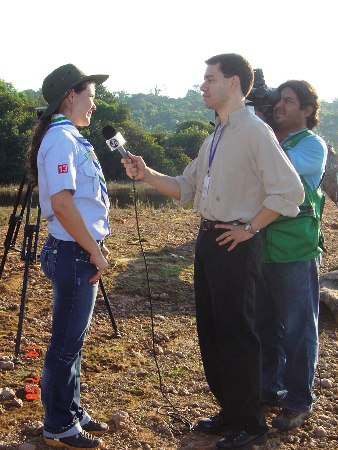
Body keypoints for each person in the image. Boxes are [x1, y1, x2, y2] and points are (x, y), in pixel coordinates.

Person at [122, 53, 304, 449]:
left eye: (210, 79)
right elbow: (185, 189)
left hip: (234, 244)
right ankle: (231, 411)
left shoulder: (255, 132)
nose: (202, 86)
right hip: (209, 241)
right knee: (213, 332)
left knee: (238, 333)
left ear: (234, 83)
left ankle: (251, 424)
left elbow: (290, 192)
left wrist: (250, 228)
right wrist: (146, 172)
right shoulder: (214, 137)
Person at [28, 64, 111, 449]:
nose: (94, 104)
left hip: (77, 250)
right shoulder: (62, 139)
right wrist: (93, 249)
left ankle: (71, 410)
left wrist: (95, 242)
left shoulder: (70, 138)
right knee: (65, 344)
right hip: (74, 253)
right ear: (70, 95)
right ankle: (59, 425)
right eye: (91, 96)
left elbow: (78, 204)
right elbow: (62, 203)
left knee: (71, 342)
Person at [256, 80, 328, 430]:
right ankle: (270, 389)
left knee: (298, 329)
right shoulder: (275, 140)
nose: (279, 106)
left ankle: (300, 400)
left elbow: (276, 176)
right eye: (278, 101)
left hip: (295, 251)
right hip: (262, 250)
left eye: (288, 101)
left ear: (308, 110)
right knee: (265, 328)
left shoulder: (312, 147)